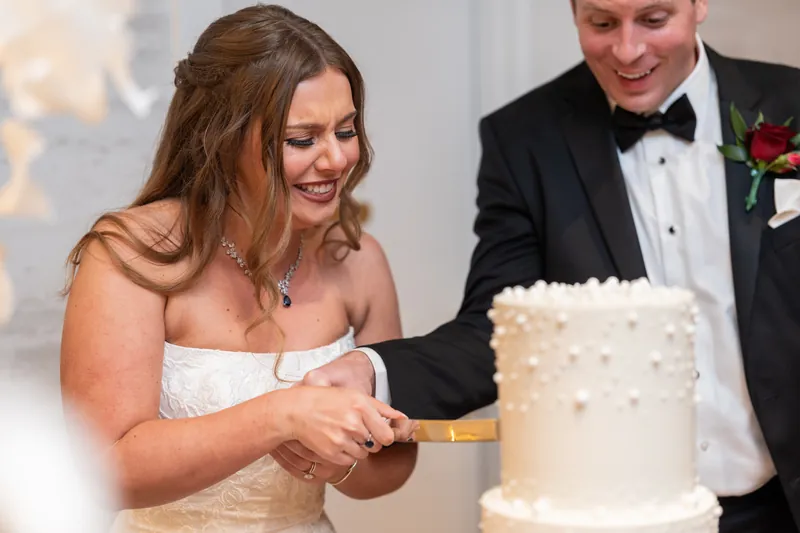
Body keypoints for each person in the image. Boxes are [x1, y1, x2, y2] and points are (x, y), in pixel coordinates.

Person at [302, 1, 800, 532]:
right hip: (613, 508)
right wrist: (372, 370)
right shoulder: (524, 140)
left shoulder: (789, 102)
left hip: (782, 499)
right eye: (602, 23)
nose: (628, 51)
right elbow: (494, 331)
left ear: (700, 4)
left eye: (654, 21)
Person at [59, 5, 417, 532]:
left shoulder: (359, 260)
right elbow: (101, 469)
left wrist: (340, 453)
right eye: (302, 139)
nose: (337, 159)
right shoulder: (130, 253)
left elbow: (390, 469)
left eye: (345, 130)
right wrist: (281, 416)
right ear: (221, 139)